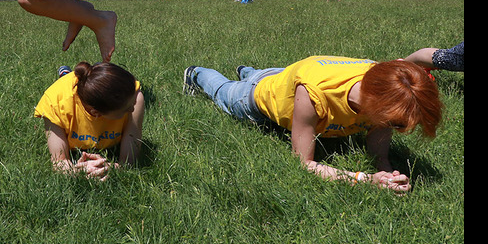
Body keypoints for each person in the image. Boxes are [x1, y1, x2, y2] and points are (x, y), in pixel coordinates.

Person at [182, 55, 443, 193]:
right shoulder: (314, 95)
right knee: (223, 92)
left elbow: (378, 138)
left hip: (287, 75)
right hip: (258, 99)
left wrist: (386, 170)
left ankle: (249, 70)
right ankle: (197, 72)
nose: (395, 129)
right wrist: (364, 179)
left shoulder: (385, 82)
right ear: (374, 101)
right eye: (395, 124)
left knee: (273, 77)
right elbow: (304, 163)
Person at [34, 62, 145, 180]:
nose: (133, 109)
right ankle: (65, 74)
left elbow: (128, 162)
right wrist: (79, 171)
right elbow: (59, 162)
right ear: (96, 113)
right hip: (65, 95)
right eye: (126, 109)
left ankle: (67, 73)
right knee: (66, 86)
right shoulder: (54, 106)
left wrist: (114, 168)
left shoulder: (134, 97)